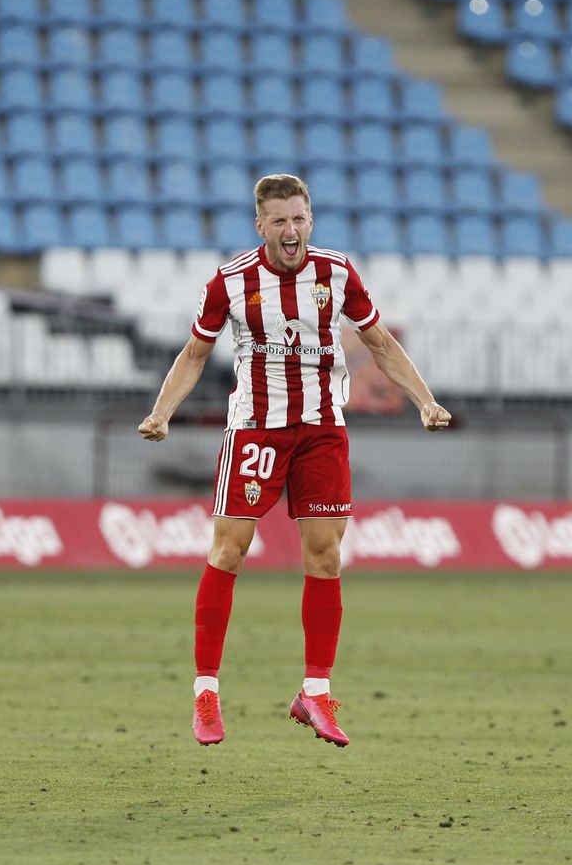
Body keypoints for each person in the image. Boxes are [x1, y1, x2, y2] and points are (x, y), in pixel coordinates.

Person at [138, 173, 452, 747]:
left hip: (321, 430)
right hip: (257, 429)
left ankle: (315, 691)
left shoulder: (336, 273)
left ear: (312, 219)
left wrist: (425, 400)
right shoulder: (231, 283)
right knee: (229, 550)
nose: (291, 230)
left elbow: (380, 343)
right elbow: (194, 353)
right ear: (260, 225)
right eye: (279, 220)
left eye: (299, 218)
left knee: (327, 557)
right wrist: (162, 412)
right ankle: (205, 692)